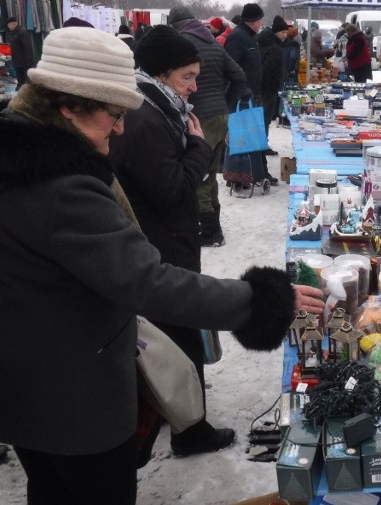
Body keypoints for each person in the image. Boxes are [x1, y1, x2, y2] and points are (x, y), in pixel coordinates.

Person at [0, 26, 323, 504]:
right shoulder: (63, 189)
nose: (120, 129)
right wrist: (259, 298)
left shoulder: (1, 160)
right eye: (113, 115)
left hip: (19, 389)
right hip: (73, 401)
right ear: (67, 108)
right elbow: (150, 282)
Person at [110, 24, 238, 455]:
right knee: (177, 335)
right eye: (188, 76)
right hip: (162, 244)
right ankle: (191, 429)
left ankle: (177, 413)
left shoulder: (158, 106)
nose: (194, 87)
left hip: (166, 240)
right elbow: (172, 189)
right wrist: (199, 147)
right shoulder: (147, 118)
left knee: (174, 333)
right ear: (162, 74)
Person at [167, 5, 246, 247]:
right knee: (209, 172)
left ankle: (210, 231)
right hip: (220, 117)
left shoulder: (180, 45)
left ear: (176, 25)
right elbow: (240, 77)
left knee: (199, 175)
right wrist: (226, 104)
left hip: (198, 118)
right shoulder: (212, 42)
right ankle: (214, 226)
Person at [225, 3, 279, 181]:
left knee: (255, 136)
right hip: (243, 98)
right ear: (254, 21)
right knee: (244, 138)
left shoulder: (250, 37)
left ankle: (257, 172)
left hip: (253, 94)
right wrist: (241, 89)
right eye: (261, 18)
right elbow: (229, 67)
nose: (262, 22)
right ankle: (241, 175)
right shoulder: (237, 37)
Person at [257, 15, 289, 157]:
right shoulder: (274, 48)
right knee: (265, 118)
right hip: (268, 90)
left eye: (286, 33)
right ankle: (262, 145)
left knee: (262, 118)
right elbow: (267, 70)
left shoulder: (264, 42)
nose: (285, 36)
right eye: (283, 32)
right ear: (276, 32)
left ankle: (261, 144)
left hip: (262, 89)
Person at [5, 17, 35, 89]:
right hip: (18, 62)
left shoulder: (22, 32)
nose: (8, 27)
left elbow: (27, 47)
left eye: (8, 25)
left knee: (27, 82)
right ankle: (21, 91)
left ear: (13, 24)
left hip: (24, 63)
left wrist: (28, 63)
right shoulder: (14, 33)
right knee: (21, 81)